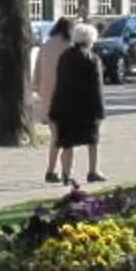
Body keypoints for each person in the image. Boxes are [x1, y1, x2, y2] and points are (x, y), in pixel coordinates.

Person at [47, 21, 108, 185]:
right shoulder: (92, 59)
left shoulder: (64, 56)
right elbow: (97, 87)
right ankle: (93, 170)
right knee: (92, 140)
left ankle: (66, 174)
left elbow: (60, 82)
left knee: (67, 142)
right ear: (91, 40)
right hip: (86, 108)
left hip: (64, 105)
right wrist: (100, 110)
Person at [31, 17, 74, 183]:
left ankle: (51, 170)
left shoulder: (45, 46)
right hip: (66, 98)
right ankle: (66, 174)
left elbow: (36, 76)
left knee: (56, 136)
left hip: (47, 99)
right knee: (67, 138)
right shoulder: (70, 47)